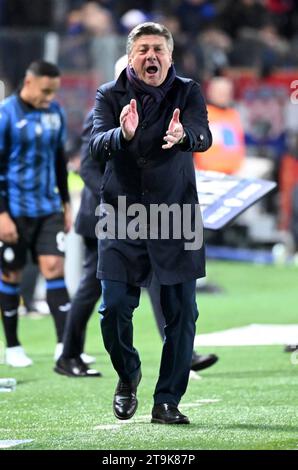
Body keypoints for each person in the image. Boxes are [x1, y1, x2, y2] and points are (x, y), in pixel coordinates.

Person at [90, 22, 212, 424]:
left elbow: (203, 134)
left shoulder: (188, 91)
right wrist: (120, 135)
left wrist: (184, 137)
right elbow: (94, 143)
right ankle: (128, 376)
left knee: (182, 313)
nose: (151, 56)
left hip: (176, 215)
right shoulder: (110, 94)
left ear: (170, 56)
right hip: (123, 216)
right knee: (113, 309)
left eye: (158, 49)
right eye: (143, 49)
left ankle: (167, 401)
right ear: (131, 55)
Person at [54, 109, 217, 378]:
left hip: (140, 218)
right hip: (104, 217)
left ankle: (180, 352)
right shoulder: (100, 114)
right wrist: (119, 201)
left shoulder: (155, 115)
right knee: (92, 287)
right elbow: (88, 168)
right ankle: (69, 354)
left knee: (158, 279)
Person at [0, 60, 72, 367]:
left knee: (54, 267)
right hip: (14, 210)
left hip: (48, 207)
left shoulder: (56, 113)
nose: (49, 97)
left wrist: (66, 202)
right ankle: (13, 346)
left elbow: (59, 160)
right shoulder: (5, 115)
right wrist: (1, 214)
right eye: (45, 91)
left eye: (54, 91)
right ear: (28, 83)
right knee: (11, 273)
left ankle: (64, 346)